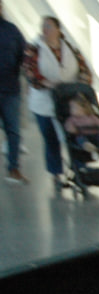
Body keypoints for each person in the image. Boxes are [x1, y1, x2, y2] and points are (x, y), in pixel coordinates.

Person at [22, 16, 88, 184]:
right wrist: (47, 83)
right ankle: (55, 172)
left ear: (58, 30)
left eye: (49, 26)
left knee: (73, 135)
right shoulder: (34, 49)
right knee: (50, 137)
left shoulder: (70, 48)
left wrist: (80, 85)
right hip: (43, 102)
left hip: (68, 101)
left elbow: (83, 70)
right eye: (43, 26)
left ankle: (79, 168)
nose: (45, 29)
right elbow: (30, 73)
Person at [0, 0, 26, 184]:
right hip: (10, 86)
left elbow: (22, 55)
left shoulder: (11, 30)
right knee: (12, 130)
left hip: (10, 88)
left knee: (13, 131)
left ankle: (14, 168)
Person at [63, 92, 99, 157]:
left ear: (83, 109)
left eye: (74, 108)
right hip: (82, 134)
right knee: (80, 138)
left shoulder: (92, 117)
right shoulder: (72, 119)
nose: (71, 110)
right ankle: (87, 146)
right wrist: (72, 129)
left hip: (95, 134)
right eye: (71, 108)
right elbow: (68, 127)